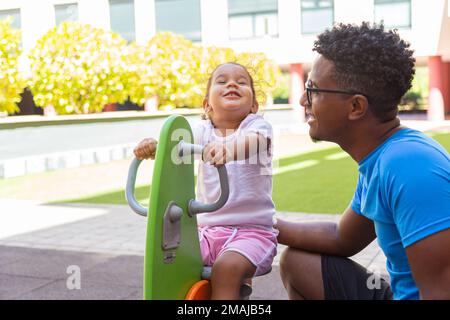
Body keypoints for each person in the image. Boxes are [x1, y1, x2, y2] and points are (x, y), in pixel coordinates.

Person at [277, 22, 450, 300]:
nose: (301, 100)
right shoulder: (381, 158)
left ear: (355, 107)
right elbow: (341, 237)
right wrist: (258, 224)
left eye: (313, 90)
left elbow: (441, 292)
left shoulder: (409, 165)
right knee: (299, 263)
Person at [134, 62, 278, 300]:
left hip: (252, 231)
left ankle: (233, 285)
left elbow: (256, 142)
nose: (232, 84)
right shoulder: (201, 132)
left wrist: (229, 149)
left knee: (227, 268)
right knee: (171, 261)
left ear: (253, 105)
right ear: (207, 105)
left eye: (241, 82)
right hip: (207, 231)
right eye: (222, 81)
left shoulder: (257, 127)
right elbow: (174, 147)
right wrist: (154, 147)